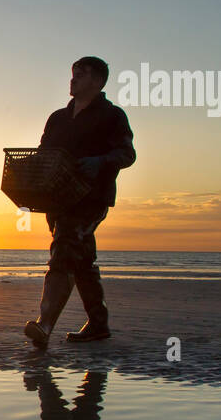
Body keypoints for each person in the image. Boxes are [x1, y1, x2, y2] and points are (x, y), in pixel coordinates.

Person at [23, 57, 136, 347]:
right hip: (58, 198)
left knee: (63, 252)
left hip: (91, 198)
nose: (73, 80)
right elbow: (44, 153)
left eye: (81, 75)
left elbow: (127, 154)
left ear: (98, 81)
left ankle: (44, 325)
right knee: (82, 260)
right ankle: (98, 325)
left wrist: (100, 161)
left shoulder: (112, 116)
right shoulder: (58, 118)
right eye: (72, 74)